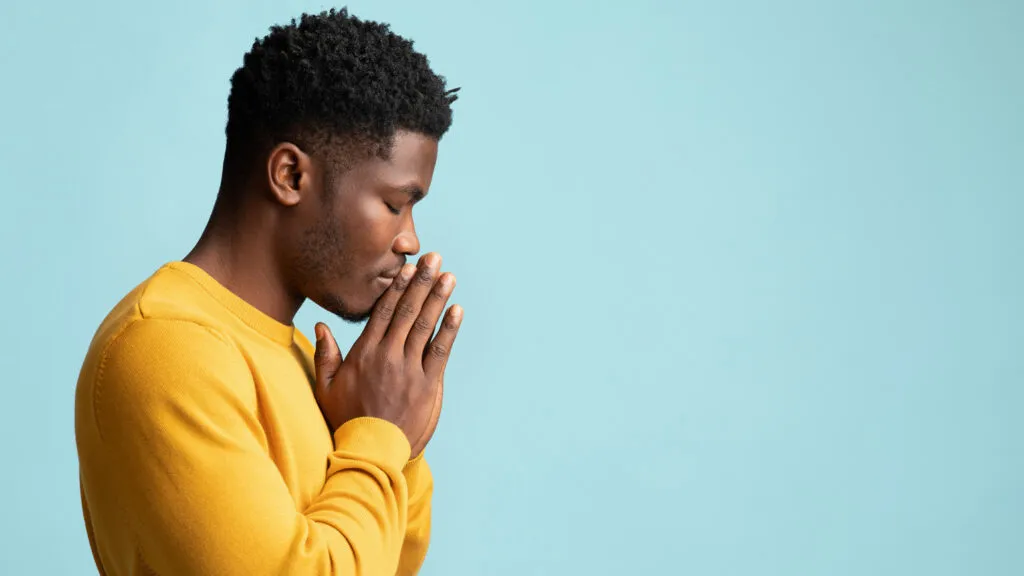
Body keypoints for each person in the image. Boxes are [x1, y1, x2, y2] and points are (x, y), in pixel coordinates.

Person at [74, 8, 463, 575]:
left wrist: (396, 431)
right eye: (393, 204)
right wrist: (379, 437)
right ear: (290, 176)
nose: (410, 239)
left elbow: (388, 564)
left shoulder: (311, 367)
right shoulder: (165, 350)